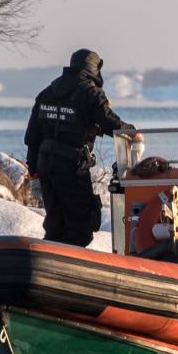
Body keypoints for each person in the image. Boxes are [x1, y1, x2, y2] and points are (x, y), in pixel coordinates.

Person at [25, 48, 134, 246]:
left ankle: (50, 262)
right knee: (81, 227)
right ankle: (65, 268)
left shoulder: (48, 92)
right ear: (94, 69)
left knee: (55, 224)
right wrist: (132, 132)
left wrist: (33, 167)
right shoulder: (89, 92)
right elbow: (110, 123)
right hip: (70, 166)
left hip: (45, 164)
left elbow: (32, 136)